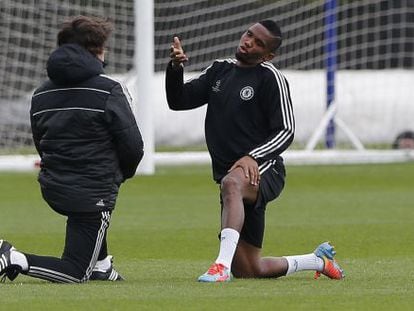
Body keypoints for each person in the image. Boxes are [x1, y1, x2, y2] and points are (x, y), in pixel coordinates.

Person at [165, 20, 344, 282]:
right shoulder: (219, 70)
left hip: (265, 170)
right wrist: (175, 67)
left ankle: (220, 267)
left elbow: (286, 130)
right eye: (249, 34)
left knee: (231, 184)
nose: (248, 41)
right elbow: (178, 101)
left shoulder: (271, 78)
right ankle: (317, 260)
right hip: (232, 178)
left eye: (258, 42)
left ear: (268, 55)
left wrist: (253, 156)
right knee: (250, 270)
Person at [0, 15, 143, 283]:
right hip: (93, 191)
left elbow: (40, 141)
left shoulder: (41, 93)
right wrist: (117, 175)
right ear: (97, 50)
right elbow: (133, 146)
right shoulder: (110, 89)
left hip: (54, 186)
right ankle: (14, 258)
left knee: (90, 227)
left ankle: (101, 264)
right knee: (76, 272)